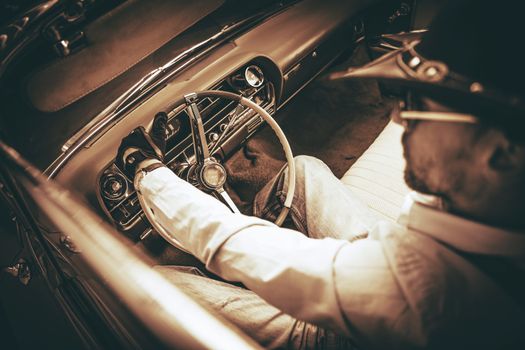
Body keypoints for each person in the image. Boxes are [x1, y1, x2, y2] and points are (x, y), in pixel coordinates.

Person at [116, 0, 525, 348]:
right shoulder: (497, 204)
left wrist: (146, 172)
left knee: (158, 282)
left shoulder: (432, 294)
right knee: (305, 171)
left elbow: (232, 243)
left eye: (420, 105)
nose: (397, 114)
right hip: (396, 276)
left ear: (500, 153)